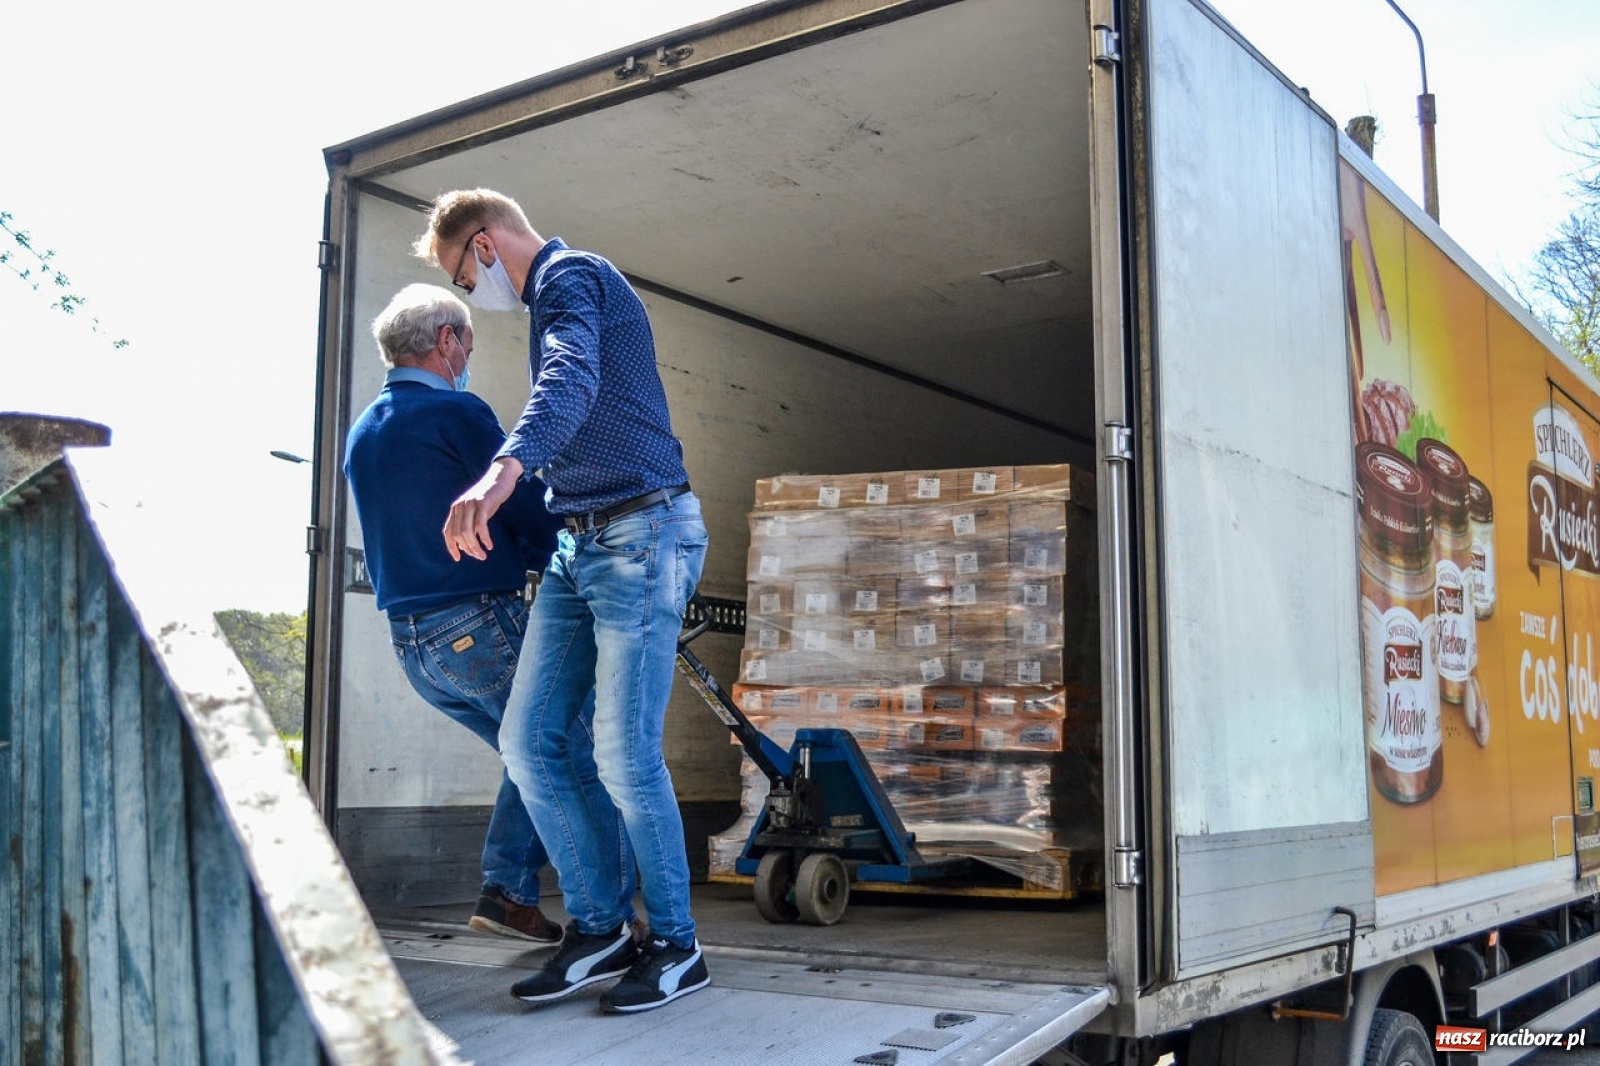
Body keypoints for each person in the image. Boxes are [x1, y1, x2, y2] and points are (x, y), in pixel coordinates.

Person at [416, 189, 711, 1014]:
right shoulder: (552, 299)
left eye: (463, 279)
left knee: (622, 752)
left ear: (483, 246)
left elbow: (571, 376)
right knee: (528, 739)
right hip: (581, 542)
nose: (472, 296)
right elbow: (573, 394)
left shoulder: (571, 277)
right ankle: (601, 927)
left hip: (643, 531)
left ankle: (679, 946)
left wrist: (500, 472)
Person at [343, 282, 573, 944]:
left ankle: (510, 894)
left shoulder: (365, 430)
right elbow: (522, 503)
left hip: (415, 647)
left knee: (528, 751)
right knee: (563, 743)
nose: (467, 356)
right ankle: (601, 918)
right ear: (447, 341)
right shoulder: (456, 412)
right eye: (467, 343)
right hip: (478, 628)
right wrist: (574, 542)